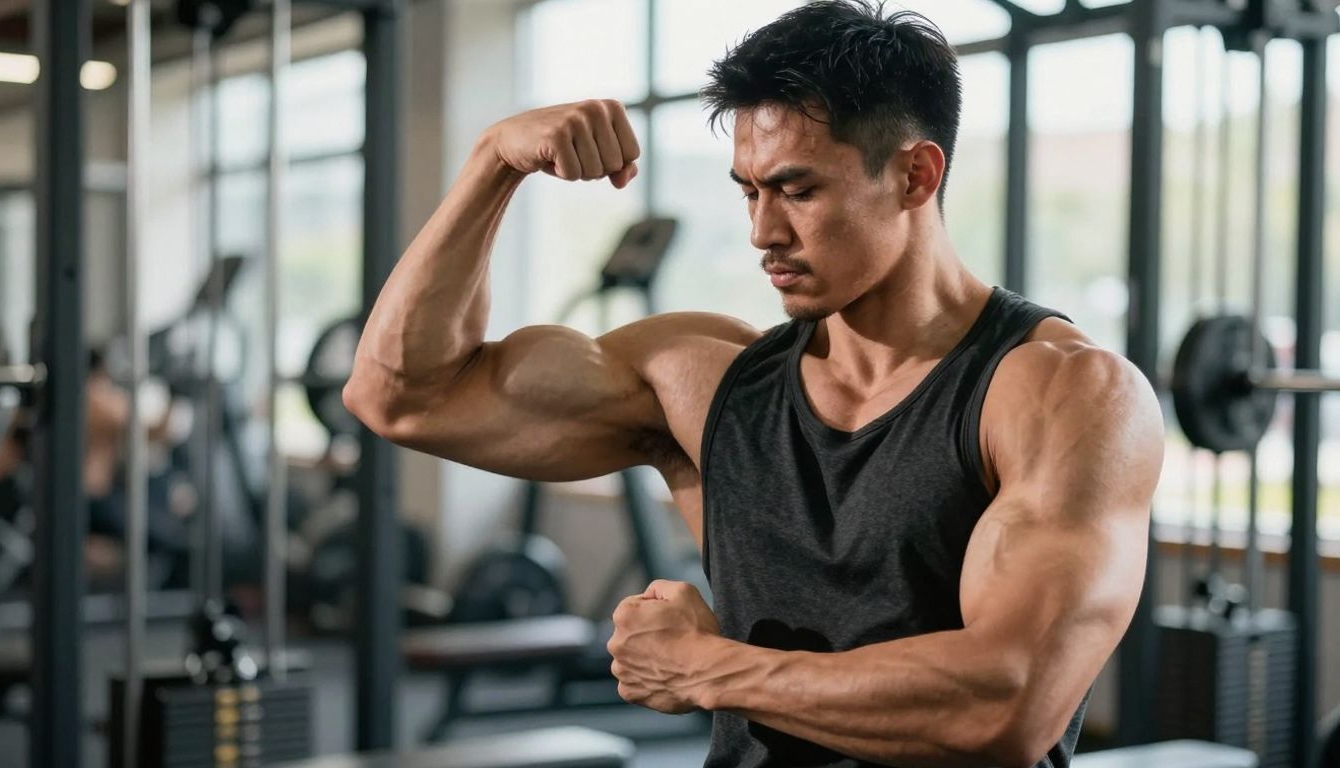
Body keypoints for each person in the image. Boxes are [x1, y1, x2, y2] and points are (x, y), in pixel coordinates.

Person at [344, 1, 1164, 765]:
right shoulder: (705, 382)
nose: (762, 232)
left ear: (915, 176)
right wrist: (492, 164)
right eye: (749, 190)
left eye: (797, 190)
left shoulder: (1063, 396)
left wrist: (710, 671)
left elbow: (1010, 705)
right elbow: (401, 395)